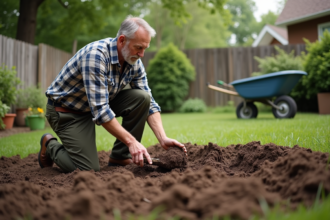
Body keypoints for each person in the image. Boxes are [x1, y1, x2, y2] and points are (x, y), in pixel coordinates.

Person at [38, 15, 187, 173]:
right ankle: (49, 146)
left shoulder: (133, 61)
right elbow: (101, 111)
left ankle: (120, 157)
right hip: (67, 111)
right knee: (87, 169)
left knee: (142, 98)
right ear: (122, 40)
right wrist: (132, 141)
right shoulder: (96, 56)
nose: (142, 54)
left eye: (145, 48)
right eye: (138, 48)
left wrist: (162, 138)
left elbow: (149, 102)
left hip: (93, 106)